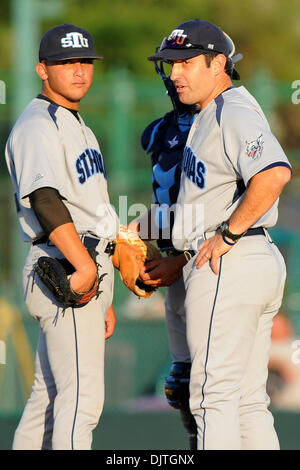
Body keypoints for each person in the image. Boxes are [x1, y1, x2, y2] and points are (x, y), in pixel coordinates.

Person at [147, 19, 292, 450]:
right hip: (244, 259)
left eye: (186, 62)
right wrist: (181, 257)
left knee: (212, 398)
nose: (174, 73)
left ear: (219, 64)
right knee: (247, 401)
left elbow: (274, 174)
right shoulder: (212, 114)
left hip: (231, 262)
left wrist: (227, 235)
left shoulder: (232, 110)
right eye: (170, 64)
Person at [5, 24, 118, 450]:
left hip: (81, 264)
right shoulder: (38, 123)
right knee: (81, 402)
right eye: (65, 63)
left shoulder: (75, 123)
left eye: (85, 62)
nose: (79, 71)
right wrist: (87, 267)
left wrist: (103, 289)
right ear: (42, 69)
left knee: (49, 399)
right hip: (67, 261)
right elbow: (45, 198)